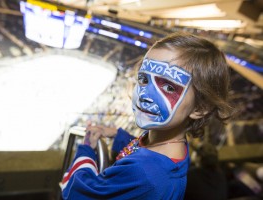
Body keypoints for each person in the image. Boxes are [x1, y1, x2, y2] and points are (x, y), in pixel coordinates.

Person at [60, 32, 233, 199]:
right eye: (143, 79)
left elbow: (77, 193)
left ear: (200, 107)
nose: (145, 94)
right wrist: (117, 135)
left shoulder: (143, 174)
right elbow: (142, 150)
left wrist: (87, 150)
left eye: (169, 87)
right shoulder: (172, 148)